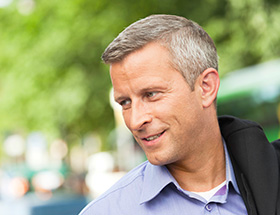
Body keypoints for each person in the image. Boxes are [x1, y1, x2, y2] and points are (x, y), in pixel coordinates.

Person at [79, 14, 280, 215]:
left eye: (151, 94)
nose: (135, 120)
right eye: (125, 102)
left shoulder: (271, 178)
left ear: (206, 87)